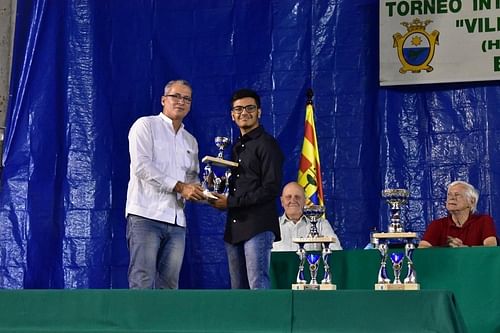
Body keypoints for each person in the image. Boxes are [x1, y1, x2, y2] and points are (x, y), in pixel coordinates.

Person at [125, 79, 205, 289]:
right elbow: (142, 167)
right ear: (163, 100)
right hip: (145, 215)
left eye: (187, 98)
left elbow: (192, 179)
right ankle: (138, 323)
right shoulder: (145, 125)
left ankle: (164, 323)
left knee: (169, 284)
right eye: (176, 96)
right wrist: (180, 187)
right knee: (142, 279)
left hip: (177, 220)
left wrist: (206, 193)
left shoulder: (190, 141)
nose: (181, 101)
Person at [209, 88, 284, 289]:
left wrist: (230, 202)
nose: (244, 113)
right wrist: (212, 191)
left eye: (250, 108)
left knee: (257, 284)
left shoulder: (267, 145)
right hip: (234, 227)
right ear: (232, 115)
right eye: (238, 109)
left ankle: (265, 321)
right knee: (238, 291)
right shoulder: (235, 147)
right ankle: (242, 322)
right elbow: (236, 184)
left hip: (257, 225)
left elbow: (271, 188)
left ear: (259, 112)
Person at [419, 180, 497, 248]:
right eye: (449, 195)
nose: (451, 198)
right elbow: (422, 248)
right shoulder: (437, 224)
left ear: (471, 201)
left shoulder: (483, 221)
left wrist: (465, 249)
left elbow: (491, 247)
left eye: (457, 195)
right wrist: (446, 248)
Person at [272, 182, 342, 251]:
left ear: (305, 201)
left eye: (297, 197)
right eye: (288, 197)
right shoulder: (272, 227)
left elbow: (336, 251)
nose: (293, 200)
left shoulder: (321, 224)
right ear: (282, 201)